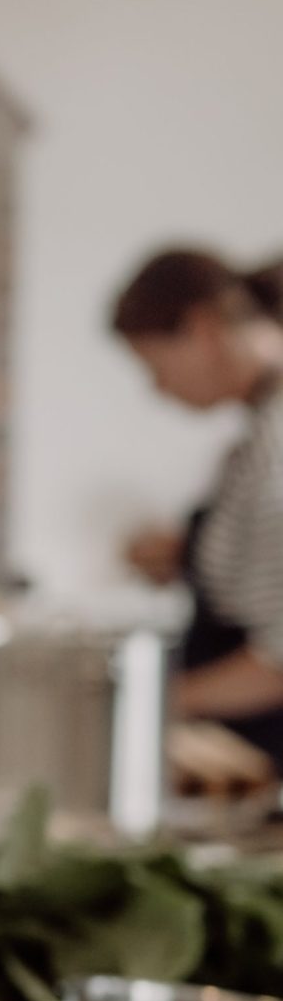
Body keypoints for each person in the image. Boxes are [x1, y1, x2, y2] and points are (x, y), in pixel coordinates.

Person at [113, 246, 283, 758]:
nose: (158, 387)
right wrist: (184, 552)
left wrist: (151, 700)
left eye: (153, 364)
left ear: (202, 329)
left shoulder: (278, 442)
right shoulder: (260, 429)